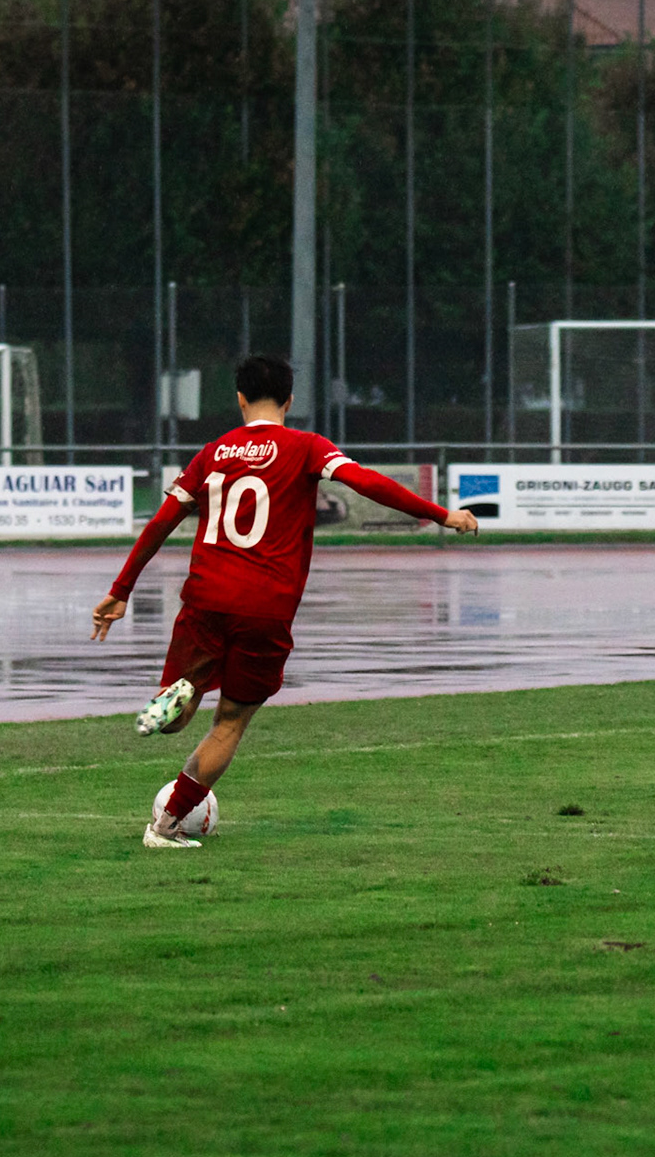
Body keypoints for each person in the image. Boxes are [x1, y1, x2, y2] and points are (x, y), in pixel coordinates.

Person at [90, 354, 480, 848]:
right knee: (230, 723)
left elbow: (161, 523)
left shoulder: (212, 452)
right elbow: (366, 482)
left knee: (183, 716)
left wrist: (120, 591)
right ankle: (165, 827)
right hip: (264, 607)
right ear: (290, 401)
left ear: (239, 399)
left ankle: (179, 697)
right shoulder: (306, 447)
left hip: (204, 597)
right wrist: (441, 514)